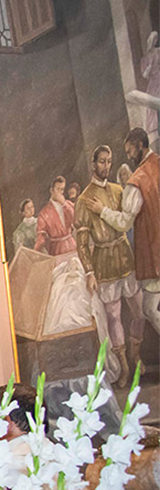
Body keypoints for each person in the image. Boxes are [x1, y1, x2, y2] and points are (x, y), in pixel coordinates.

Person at [74, 146, 145, 387]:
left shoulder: (118, 190)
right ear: (94, 164)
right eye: (102, 162)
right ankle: (124, 367)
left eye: (109, 161)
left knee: (139, 311)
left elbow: (126, 222)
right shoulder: (84, 200)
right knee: (114, 317)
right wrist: (89, 272)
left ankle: (136, 355)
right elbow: (82, 242)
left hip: (126, 256)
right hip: (103, 262)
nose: (106, 166)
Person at [100, 128, 160, 339]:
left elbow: (125, 222)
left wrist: (102, 211)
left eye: (130, 151)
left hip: (155, 252)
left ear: (140, 146)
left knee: (150, 310)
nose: (128, 156)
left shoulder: (138, 180)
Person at [35, 177, 78, 256]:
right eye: (58, 189)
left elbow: (76, 221)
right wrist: (35, 251)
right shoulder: (44, 213)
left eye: (62, 189)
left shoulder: (68, 205)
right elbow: (41, 238)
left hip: (72, 246)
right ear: (51, 190)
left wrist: (64, 204)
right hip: (57, 250)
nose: (60, 193)